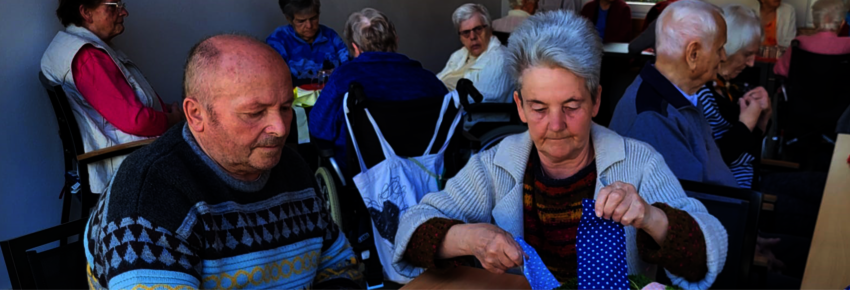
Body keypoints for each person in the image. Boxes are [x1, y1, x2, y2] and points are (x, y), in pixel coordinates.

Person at [393, 10, 726, 289]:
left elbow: (705, 257)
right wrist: (471, 239)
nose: (555, 125)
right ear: (520, 107)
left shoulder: (640, 163)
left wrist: (651, 217)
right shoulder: (496, 164)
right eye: (538, 108)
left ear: (596, 100)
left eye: (571, 105)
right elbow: (411, 230)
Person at [83, 34, 362, 290]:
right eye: (255, 112)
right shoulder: (147, 199)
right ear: (196, 115)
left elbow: (339, 269)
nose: (279, 128)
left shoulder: (292, 166)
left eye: (286, 107)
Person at [41, 0, 184, 194]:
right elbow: (136, 122)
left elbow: (119, 104)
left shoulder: (68, 44)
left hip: (122, 148)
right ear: (86, 13)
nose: (124, 12)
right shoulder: (89, 58)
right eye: (113, 6)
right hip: (125, 159)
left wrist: (166, 110)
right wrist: (172, 120)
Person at [609, 0, 739, 188]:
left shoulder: (685, 93)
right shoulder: (653, 118)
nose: (724, 57)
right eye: (719, 48)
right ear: (693, 54)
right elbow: (687, 207)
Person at [308, 8, 448, 171]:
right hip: (423, 170)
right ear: (395, 41)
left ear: (356, 48)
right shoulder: (429, 80)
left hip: (363, 174)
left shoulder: (343, 78)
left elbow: (318, 128)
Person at [698, 4, 771, 189]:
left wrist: (762, 119)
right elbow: (713, 162)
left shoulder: (727, 86)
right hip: (731, 193)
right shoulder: (701, 94)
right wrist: (746, 124)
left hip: (749, 183)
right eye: (747, 54)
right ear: (728, 48)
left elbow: (748, 149)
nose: (751, 63)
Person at [437, 3, 513, 103]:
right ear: (460, 37)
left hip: (470, 116)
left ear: (489, 30)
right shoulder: (458, 55)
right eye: (466, 32)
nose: (472, 37)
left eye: (478, 29)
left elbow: (485, 99)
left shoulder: (500, 58)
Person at [266, 0, 349, 86]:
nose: (309, 26)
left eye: (313, 18)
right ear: (289, 19)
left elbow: (349, 67)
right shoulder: (278, 41)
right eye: (301, 21)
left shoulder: (330, 36)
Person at [774, 0, 850, 77]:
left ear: (814, 22)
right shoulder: (848, 44)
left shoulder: (799, 42)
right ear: (842, 23)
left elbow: (779, 70)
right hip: (837, 89)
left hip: (800, 88)